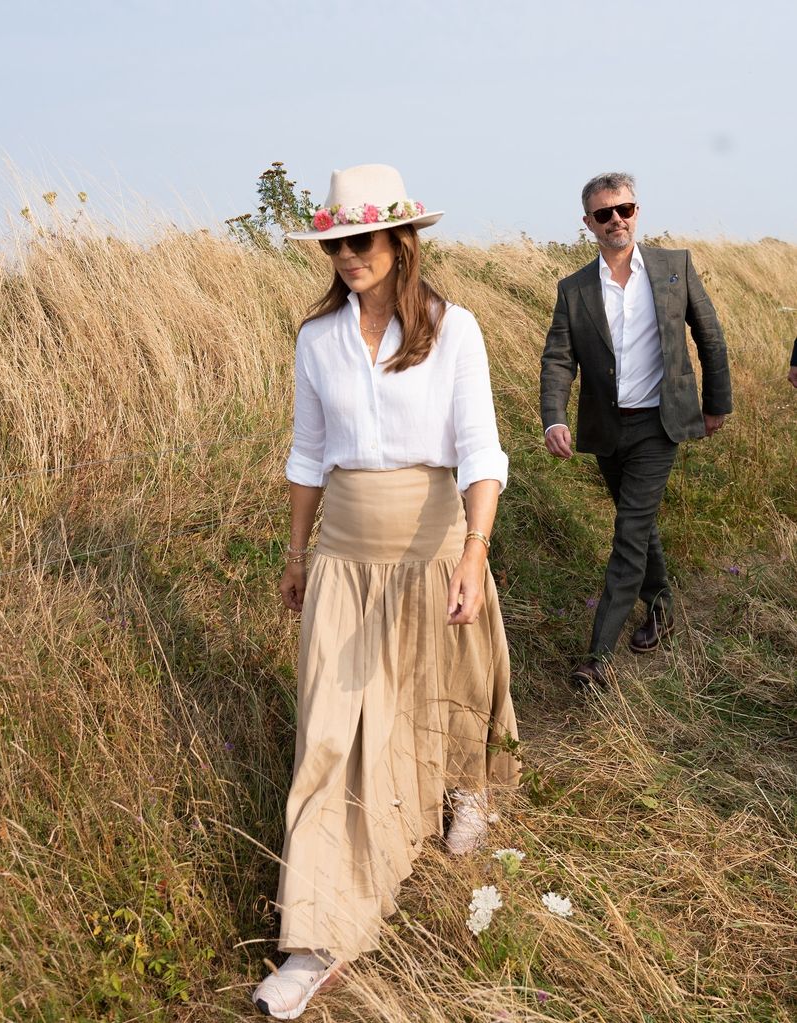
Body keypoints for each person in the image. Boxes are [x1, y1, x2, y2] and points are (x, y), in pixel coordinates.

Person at [252, 164, 519, 1019]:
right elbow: (306, 455)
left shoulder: (455, 329)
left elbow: (480, 450)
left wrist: (474, 554)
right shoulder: (316, 337)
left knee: (441, 692)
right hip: (343, 553)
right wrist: (295, 554)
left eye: (359, 241)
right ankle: (315, 936)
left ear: (401, 242)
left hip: (434, 540)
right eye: (334, 242)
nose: (345, 257)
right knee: (329, 733)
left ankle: (461, 788)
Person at [540, 172, 732, 689]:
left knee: (627, 534)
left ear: (636, 211)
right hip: (607, 428)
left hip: (659, 423)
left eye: (623, 209)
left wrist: (716, 405)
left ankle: (598, 658)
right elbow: (559, 360)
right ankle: (663, 607)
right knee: (639, 524)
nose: (616, 220)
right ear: (588, 224)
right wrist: (554, 417)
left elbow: (710, 337)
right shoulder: (574, 289)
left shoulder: (675, 267)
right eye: (604, 214)